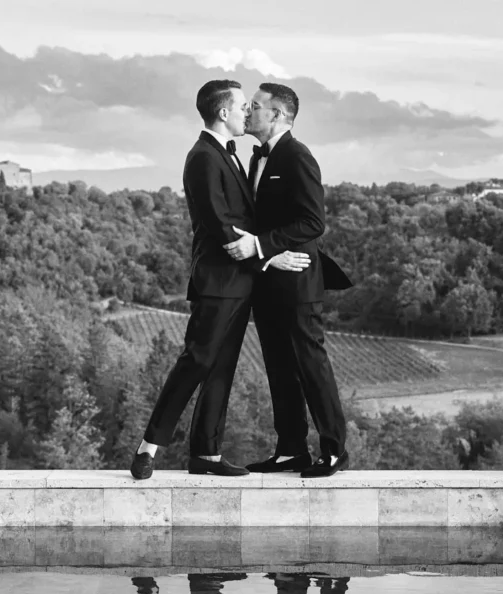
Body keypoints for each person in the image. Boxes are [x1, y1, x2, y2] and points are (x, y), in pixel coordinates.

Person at [131, 79, 307, 479]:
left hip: (238, 283)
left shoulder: (228, 154)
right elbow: (221, 227)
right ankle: (149, 447)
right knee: (196, 362)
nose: (249, 112)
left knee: (221, 368)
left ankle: (205, 455)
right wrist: (270, 259)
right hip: (219, 282)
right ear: (223, 113)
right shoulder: (203, 157)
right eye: (244, 106)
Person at [223, 82, 354, 478]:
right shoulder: (256, 158)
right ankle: (291, 449)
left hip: (298, 280)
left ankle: (334, 451)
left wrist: (262, 245)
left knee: (311, 365)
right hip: (268, 279)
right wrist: (266, 256)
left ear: (277, 115)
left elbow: (314, 222)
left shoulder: (298, 156)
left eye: (256, 107)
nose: (248, 112)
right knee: (279, 367)